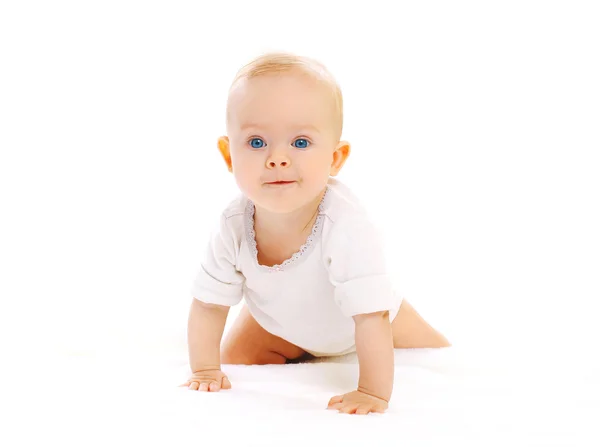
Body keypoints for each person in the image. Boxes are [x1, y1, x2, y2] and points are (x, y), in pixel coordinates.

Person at [180, 52, 450, 415]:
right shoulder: (233, 225)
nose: (277, 158)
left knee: (439, 360)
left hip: (367, 319)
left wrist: (372, 392)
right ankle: (301, 350)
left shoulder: (345, 224)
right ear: (229, 155)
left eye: (301, 143)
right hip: (280, 323)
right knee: (236, 358)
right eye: (257, 143)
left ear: (335, 159)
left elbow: (371, 316)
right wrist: (205, 369)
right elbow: (208, 304)